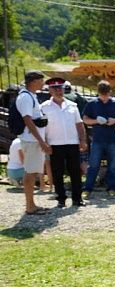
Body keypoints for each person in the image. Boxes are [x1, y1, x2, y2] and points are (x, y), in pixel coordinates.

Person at [40, 77, 88, 207]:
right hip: (54, 144)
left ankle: (77, 198)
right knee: (57, 173)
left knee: (75, 172)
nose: (58, 91)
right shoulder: (44, 107)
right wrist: (44, 143)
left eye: (60, 88)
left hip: (72, 143)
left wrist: (82, 140)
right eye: (55, 89)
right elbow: (41, 127)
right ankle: (61, 199)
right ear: (50, 91)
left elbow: (79, 124)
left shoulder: (72, 106)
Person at [82, 80, 115, 199]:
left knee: (113, 166)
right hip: (97, 139)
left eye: (106, 94)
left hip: (113, 139)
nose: (104, 96)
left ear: (110, 92)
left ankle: (111, 188)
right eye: (102, 94)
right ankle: (87, 189)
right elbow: (85, 119)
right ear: (98, 92)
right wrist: (96, 121)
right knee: (93, 165)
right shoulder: (92, 104)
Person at [17, 70, 50, 215]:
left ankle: (32, 204)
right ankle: (30, 206)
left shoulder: (31, 96)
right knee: (30, 172)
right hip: (31, 140)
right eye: (41, 80)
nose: (43, 83)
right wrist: (41, 141)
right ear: (34, 81)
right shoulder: (25, 98)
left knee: (32, 171)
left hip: (33, 139)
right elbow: (27, 119)